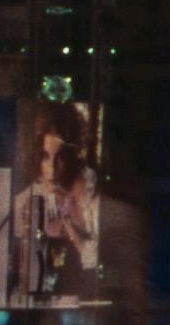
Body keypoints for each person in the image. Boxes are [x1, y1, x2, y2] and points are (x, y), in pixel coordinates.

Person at [10, 104, 103, 307]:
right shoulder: (24, 201)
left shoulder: (88, 192)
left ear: (71, 155)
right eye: (45, 156)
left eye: (60, 156)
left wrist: (71, 228)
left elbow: (97, 261)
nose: (52, 167)